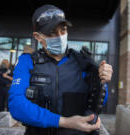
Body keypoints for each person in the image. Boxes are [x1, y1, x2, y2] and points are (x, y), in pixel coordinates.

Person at [8, 4, 113, 135]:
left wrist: (102, 81)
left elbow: (100, 101)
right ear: (38, 37)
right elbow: (16, 106)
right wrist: (64, 121)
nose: (59, 36)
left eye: (63, 30)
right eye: (52, 33)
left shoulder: (84, 62)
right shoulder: (28, 61)